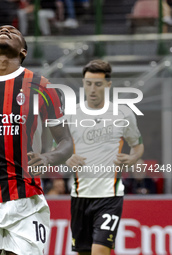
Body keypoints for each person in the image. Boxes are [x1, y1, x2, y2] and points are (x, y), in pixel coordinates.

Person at [0, 25, 73, 255]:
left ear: (23, 52)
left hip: (26, 202)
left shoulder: (42, 87)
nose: (5, 30)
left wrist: (48, 157)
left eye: (13, 32)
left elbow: (66, 142)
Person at [65, 59, 144, 255]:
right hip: (80, 195)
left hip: (110, 196)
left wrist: (133, 159)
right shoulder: (71, 114)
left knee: (100, 251)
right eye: (88, 83)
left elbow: (138, 146)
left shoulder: (123, 113)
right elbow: (59, 148)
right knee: (83, 252)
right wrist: (67, 158)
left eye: (98, 84)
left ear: (108, 85)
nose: (92, 89)